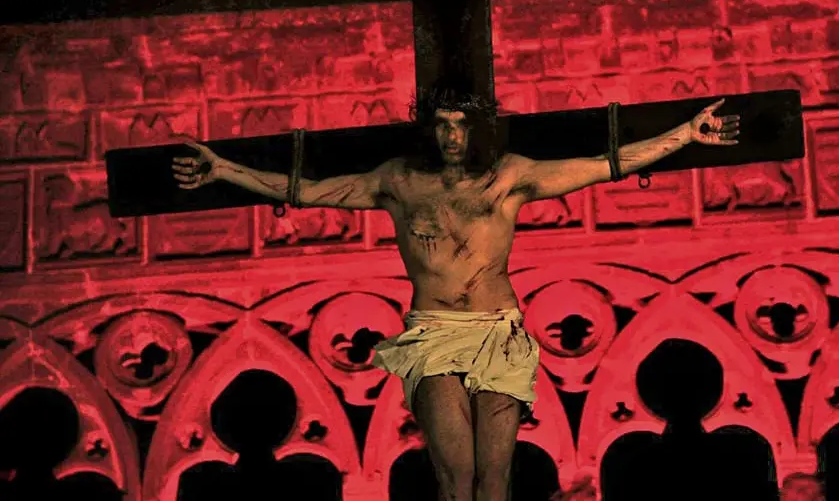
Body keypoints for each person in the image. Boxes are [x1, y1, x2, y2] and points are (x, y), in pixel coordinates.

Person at [171, 87, 740, 501]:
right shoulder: (399, 181)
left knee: (495, 480)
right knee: (456, 476)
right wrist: (223, 171)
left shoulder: (507, 177)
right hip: (436, 333)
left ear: (478, 130)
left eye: (461, 124)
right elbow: (308, 191)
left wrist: (685, 135)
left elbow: (603, 165)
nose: (451, 135)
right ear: (429, 129)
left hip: (498, 331)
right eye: (442, 124)